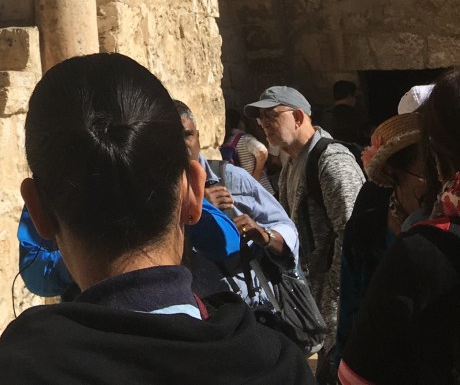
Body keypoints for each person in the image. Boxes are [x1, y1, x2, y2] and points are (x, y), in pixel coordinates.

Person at [0, 53, 313, 384]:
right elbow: (229, 241)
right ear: (193, 191)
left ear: (37, 212)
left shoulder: (3, 375)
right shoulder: (279, 367)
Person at [339, 69, 460, 385]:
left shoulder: (421, 251)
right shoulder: (370, 224)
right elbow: (351, 318)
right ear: (395, 172)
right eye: (423, 172)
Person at [246, 85, 364, 348]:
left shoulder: (331, 161)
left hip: (339, 307)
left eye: (271, 115)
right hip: (315, 302)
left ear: (298, 117)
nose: (263, 124)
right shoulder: (292, 163)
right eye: (260, 118)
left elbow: (354, 235)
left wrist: (332, 298)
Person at [332, 109, 424, 371]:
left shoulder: (449, 227)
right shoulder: (366, 229)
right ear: (394, 172)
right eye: (426, 174)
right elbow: (350, 311)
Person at [176, 102, 299, 264]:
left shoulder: (231, 178)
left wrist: (265, 235)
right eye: (173, 137)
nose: (183, 144)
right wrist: (199, 208)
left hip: (240, 278)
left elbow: (286, 228)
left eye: (188, 135)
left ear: (198, 137)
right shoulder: (153, 192)